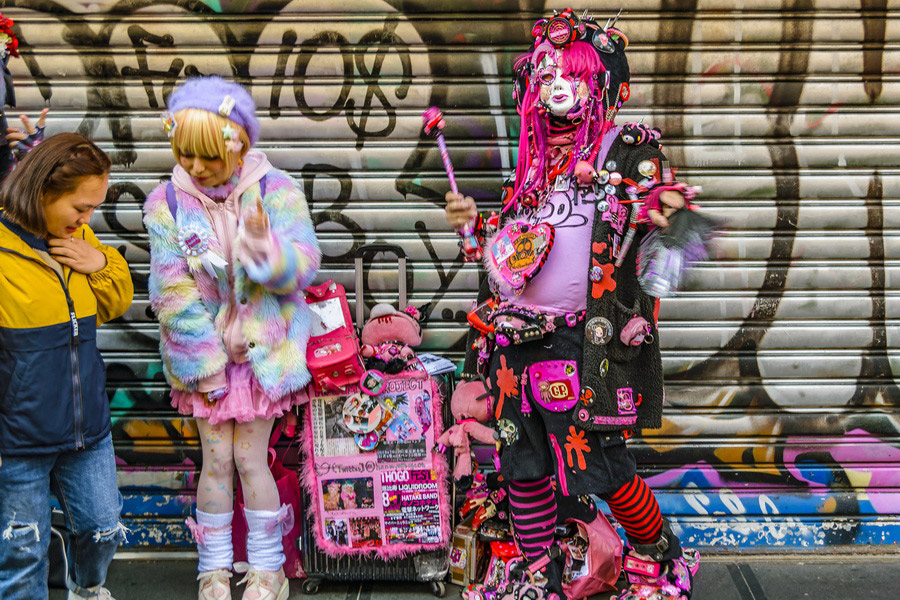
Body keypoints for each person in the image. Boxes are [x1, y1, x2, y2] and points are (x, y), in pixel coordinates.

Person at [445, 9, 699, 600]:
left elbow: (670, 235)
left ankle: (662, 560)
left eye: (575, 74)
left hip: (584, 341)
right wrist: (475, 233)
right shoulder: (531, 168)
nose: (558, 85)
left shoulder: (628, 149)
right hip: (514, 341)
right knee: (522, 463)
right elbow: (508, 259)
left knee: (603, 464)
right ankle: (541, 579)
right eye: (548, 73)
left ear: (602, 83)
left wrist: (664, 210)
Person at [144, 76, 320, 600]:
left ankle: (268, 570)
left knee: (250, 459)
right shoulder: (167, 204)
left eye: (208, 158)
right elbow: (171, 293)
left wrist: (267, 252)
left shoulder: (276, 189)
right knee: (215, 461)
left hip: (264, 351)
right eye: (185, 155)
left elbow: (303, 267)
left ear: (238, 143)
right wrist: (212, 361)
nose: (196, 168)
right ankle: (213, 569)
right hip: (206, 358)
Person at [0, 132, 134, 600]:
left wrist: (99, 261)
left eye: (94, 208)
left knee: (101, 528)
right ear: (41, 192)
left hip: (87, 429)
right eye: (80, 207)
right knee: (21, 554)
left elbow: (116, 300)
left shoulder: (76, 236)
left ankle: (88, 589)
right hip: (18, 441)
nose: (86, 219)